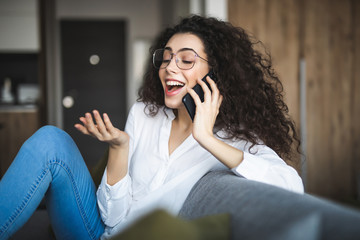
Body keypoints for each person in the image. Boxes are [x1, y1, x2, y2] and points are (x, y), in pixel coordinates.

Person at [0, 15, 303, 240]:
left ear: (217, 73)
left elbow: (291, 186)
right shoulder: (145, 114)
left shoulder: (233, 139)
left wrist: (206, 137)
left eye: (186, 60)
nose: (170, 67)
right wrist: (119, 149)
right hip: (98, 230)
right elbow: (113, 217)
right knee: (51, 141)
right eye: (166, 58)